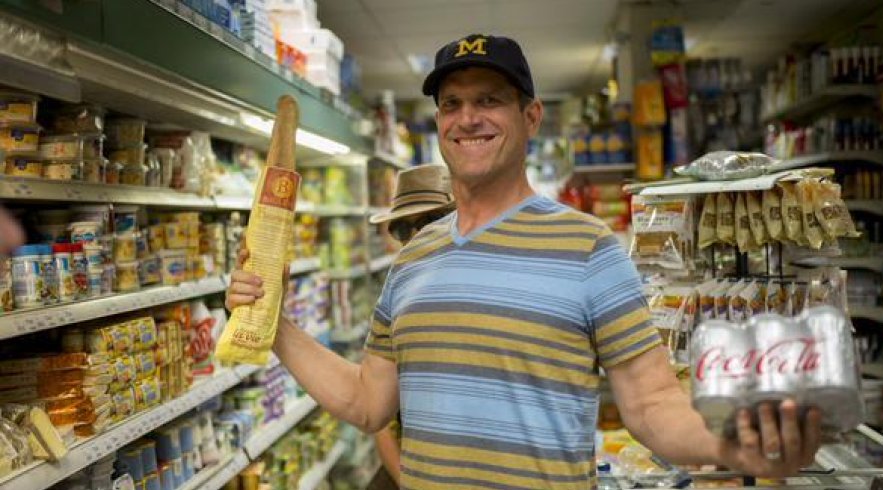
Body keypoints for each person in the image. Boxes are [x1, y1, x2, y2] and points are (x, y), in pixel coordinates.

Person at [227, 34, 821, 489]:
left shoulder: (588, 246)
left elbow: (651, 405)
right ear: (438, 124)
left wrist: (726, 446)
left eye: (490, 100)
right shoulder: (411, 263)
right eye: (452, 103)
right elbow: (366, 403)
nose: (468, 118)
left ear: (530, 117)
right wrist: (272, 324)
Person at [367, 164, 456, 490]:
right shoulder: (396, 301)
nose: (418, 238)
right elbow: (378, 417)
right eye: (404, 229)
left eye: (431, 222)